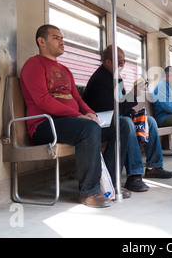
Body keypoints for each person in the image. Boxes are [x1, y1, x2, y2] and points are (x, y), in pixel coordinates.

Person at [20, 25, 110, 208]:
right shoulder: (33, 64)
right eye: (56, 37)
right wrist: (78, 116)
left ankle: (109, 185)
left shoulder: (65, 69)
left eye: (62, 38)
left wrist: (89, 113)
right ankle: (89, 191)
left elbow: (77, 98)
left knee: (120, 125)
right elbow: (43, 100)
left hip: (69, 122)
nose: (62, 41)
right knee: (89, 128)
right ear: (41, 41)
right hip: (44, 125)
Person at [82, 46, 172, 193]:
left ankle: (154, 166)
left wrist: (133, 103)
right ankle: (134, 175)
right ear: (107, 62)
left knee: (149, 121)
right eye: (119, 62)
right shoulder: (99, 81)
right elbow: (113, 109)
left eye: (124, 62)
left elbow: (122, 103)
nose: (122, 65)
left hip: (116, 117)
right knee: (127, 123)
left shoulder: (117, 78)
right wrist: (134, 95)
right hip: (101, 121)